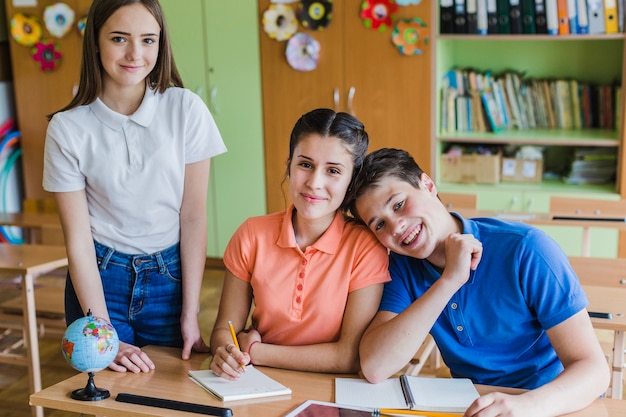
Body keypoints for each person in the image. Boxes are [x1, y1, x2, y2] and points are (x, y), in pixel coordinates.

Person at [344, 148, 610, 417]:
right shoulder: (402, 267)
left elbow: (594, 370)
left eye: (399, 204)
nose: (396, 228)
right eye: (379, 225)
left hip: (554, 403)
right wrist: (450, 280)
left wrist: (526, 406)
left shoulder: (526, 249)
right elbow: (376, 367)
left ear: (428, 185)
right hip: (474, 407)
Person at [43, 0, 226, 373]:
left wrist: (190, 314)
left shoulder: (185, 109)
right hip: (99, 278)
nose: (135, 54)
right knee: (109, 398)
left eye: (148, 40)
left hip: (169, 278)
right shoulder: (66, 128)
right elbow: (77, 239)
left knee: (172, 395)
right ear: (95, 41)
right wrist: (103, 331)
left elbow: (192, 217)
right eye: (119, 38)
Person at [209, 108, 390, 380]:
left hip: (330, 387)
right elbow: (226, 328)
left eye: (333, 171)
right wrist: (226, 351)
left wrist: (256, 351)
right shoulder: (252, 234)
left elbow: (349, 357)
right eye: (305, 164)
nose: (314, 183)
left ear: (352, 181)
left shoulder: (365, 247)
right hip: (259, 382)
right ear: (289, 165)